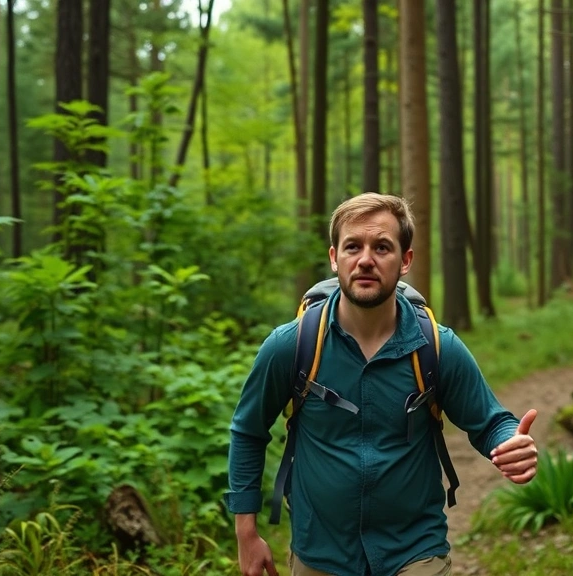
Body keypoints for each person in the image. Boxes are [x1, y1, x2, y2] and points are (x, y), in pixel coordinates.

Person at [226, 193, 539, 576]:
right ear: (333, 257)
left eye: (382, 247)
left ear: (405, 260)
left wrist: (510, 443)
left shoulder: (437, 347)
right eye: (353, 246)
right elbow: (248, 430)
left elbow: (490, 421)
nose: (365, 260)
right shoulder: (291, 346)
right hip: (320, 552)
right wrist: (246, 533)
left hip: (414, 550)